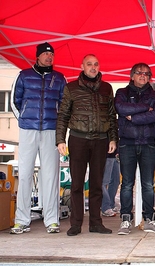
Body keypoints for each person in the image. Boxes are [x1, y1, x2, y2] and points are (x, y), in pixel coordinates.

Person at [56, 54, 118, 236]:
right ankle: (75, 224)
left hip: (101, 140)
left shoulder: (107, 88)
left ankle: (95, 223)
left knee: (98, 184)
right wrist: (60, 139)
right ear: (82, 66)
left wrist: (113, 138)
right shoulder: (71, 88)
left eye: (96, 64)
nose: (93, 67)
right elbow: (63, 115)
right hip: (78, 139)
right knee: (76, 184)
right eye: (89, 64)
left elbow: (112, 116)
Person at [10, 42, 67, 234]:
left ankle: (51, 219)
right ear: (37, 56)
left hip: (51, 130)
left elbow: (64, 104)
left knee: (51, 175)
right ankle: (21, 220)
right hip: (28, 129)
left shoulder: (59, 78)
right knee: (25, 174)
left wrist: (60, 130)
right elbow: (14, 101)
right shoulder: (24, 75)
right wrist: (24, 121)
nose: (49, 57)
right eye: (45, 54)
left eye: (51, 55)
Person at [114, 62, 155, 235]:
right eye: (139, 73)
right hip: (127, 143)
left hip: (148, 143)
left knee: (148, 184)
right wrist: (145, 108)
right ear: (132, 75)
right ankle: (125, 219)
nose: (143, 76)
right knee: (127, 184)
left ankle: (150, 219)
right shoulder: (121, 93)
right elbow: (121, 108)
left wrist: (133, 117)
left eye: (146, 73)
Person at [101, 146, 120, 217]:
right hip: (106, 153)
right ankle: (106, 207)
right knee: (104, 182)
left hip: (115, 154)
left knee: (116, 180)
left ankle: (111, 204)